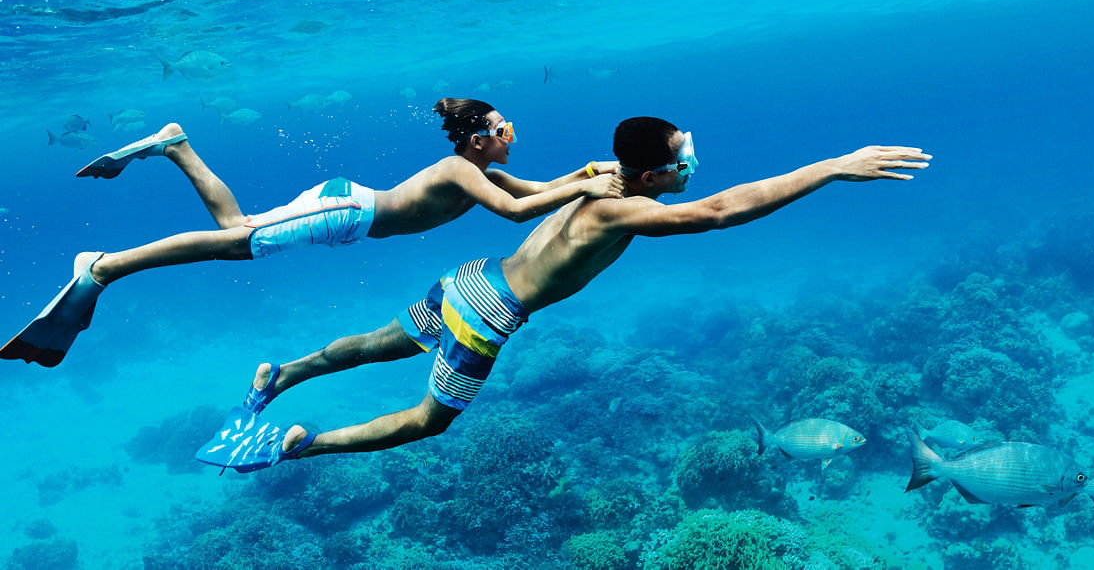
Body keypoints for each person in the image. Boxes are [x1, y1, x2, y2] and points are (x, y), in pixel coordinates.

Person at [195, 116, 930, 472]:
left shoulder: (600, 175)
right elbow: (719, 211)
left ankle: (283, 374)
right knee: (429, 421)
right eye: (683, 161)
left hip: (469, 278)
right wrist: (832, 165)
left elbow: (520, 188)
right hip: (491, 312)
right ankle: (301, 445)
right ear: (649, 178)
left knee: (380, 344)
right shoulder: (626, 205)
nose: (692, 167)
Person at [2, 98, 623, 368]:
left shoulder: (478, 169)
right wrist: (587, 188)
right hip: (344, 212)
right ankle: (103, 266)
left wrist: (589, 173)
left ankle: (176, 145)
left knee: (236, 231)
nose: (512, 136)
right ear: (478, 136)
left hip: (343, 215)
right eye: (504, 128)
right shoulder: (461, 169)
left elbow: (539, 194)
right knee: (236, 242)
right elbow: (519, 214)